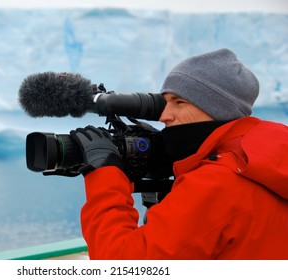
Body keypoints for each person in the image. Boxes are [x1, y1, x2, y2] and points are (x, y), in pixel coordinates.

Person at [70, 48, 288, 259]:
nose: (164, 115)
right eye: (164, 103)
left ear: (217, 110)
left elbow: (125, 265)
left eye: (179, 102)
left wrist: (104, 174)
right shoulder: (268, 165)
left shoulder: (214, 185)